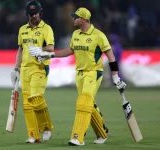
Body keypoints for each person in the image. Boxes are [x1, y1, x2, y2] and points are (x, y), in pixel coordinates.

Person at [29, 7, 126, 146]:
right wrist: (50, 54)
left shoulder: (98, 35)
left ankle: (77, 137)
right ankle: (102, 133)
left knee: (83, 102)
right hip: (79, 74)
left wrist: (115, 77)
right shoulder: (76, 34)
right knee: (88, 104)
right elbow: (69, 51)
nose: (73, 19)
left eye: (76, 17)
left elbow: (110, 56)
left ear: (84, 19)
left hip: (93, 73)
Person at [10, 0, 54, 143]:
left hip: (40, 67)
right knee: (27, 104)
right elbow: (20, 50)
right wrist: (16, 68)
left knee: (36, 97)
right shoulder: (22, 29)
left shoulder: (46, 28)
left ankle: (46, 127)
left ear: (40, 13)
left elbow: (51, 47)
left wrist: (41, 50)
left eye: (35, 13)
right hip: (25, 69)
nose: (33, 16)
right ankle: (33, 136)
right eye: (30, 14)